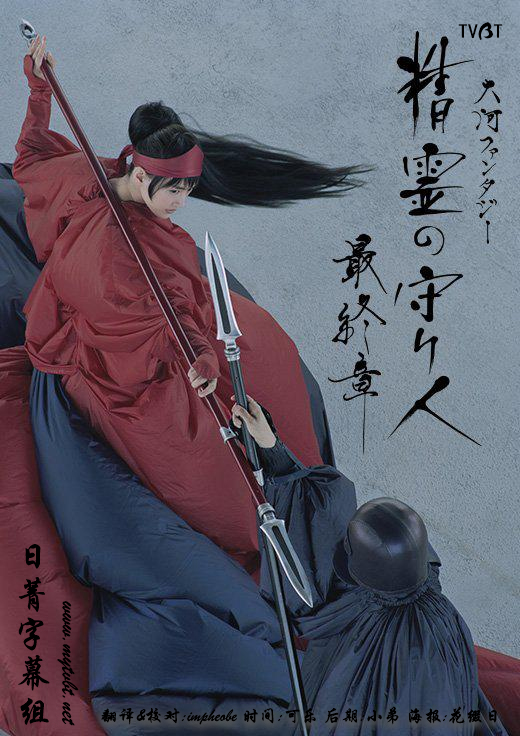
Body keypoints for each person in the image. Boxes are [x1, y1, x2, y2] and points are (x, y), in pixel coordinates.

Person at [12, 36, 366, 578]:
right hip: (119, 355)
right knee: (201, 465)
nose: (181, 204)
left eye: (187, 191)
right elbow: (171, 317)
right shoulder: (130, 258)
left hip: (123, 316)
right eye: (174, 192)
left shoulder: (90, 173)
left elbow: (34, 153)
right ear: (140, 175)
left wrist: (39, 91)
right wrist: (201, 354)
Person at [231, 400, 511, 736]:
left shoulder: (356, 615)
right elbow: (320, 515)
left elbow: (308, 561)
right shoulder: (438, 606)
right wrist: (270, 447)